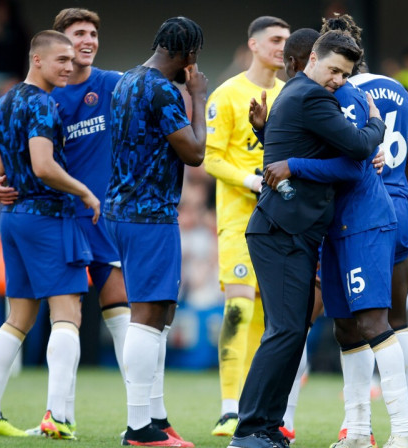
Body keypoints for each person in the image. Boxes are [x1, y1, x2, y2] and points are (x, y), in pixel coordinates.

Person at [229, 30, 385, 448]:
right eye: (333, 69)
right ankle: (249, 430)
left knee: (292, 330)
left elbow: (293, 152)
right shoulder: (312, 97)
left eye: (345, 74)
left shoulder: (294, 93)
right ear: (312, 58)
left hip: (287, 227)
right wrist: (376, 124)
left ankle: (266, 426)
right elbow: (356, 147)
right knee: (284, 331)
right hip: (282, 229)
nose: (338, 79)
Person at [0, 30, 100, 439]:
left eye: (72, 60)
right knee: (68, 313)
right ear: (37, 60)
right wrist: (85, 191)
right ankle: (57, 417)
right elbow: (44, 166)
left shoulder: (6, 98)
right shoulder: (44, 103)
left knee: (20, 316)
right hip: (47, 217)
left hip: (14, 217)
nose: (70, 65)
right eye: (61, 59)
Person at [320, 14, 408, 445]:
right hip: (395, 206)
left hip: (358, 211)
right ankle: (389, 423)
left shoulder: (339, 93)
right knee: (396, 321)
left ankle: (385, 430)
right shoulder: (398, 91)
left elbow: (345, 157)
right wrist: (401, 204)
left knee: (362, 325)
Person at [104, 16, 206, 447]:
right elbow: (196, 152)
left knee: (159, 314)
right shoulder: (164, 90)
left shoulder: (126, 79)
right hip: (149, 216)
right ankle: (138, 428)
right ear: (189, 56)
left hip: (122, 211)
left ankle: (157, 419)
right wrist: (197, 97)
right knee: (147, 316)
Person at [203, 15, 290, 439]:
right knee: (238, 308)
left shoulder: (289, 95)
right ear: (253, 44)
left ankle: (254, 410)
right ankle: (227, 409)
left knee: (268, 319)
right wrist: (250, 179)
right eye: (275, 39)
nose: (282, 47)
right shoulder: (227, 94)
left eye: (286, 41)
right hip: (239, 219)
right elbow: (211, 158)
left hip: (280, 221)